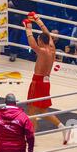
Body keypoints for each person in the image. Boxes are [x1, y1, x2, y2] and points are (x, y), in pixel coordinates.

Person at [23, 12, 70, 144]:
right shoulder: (52, 49)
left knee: (32, 109)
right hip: (46, 81)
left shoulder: (43, 51)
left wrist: (28, 28)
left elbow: (32, 45)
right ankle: (62, 127)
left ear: (40, 41)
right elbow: (48, 35)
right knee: (41, 109)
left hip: (38, 81)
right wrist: (38, 20)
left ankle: (32, 138)